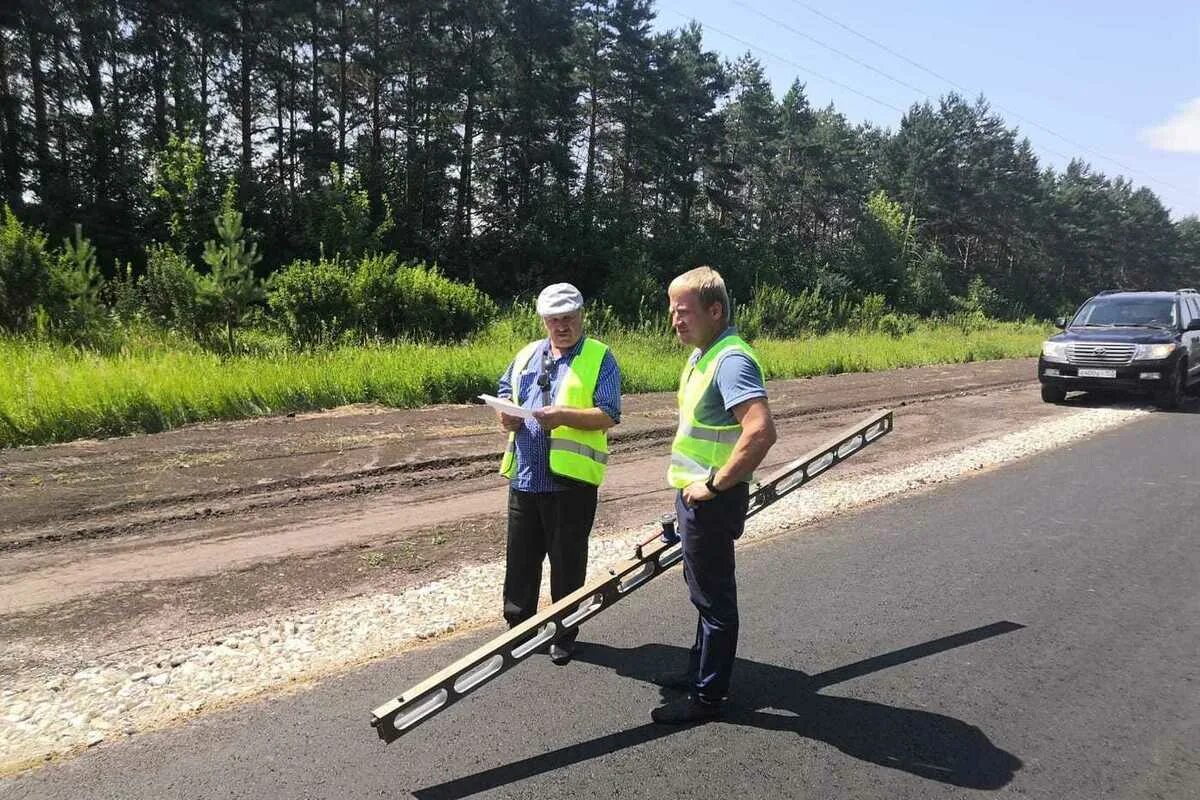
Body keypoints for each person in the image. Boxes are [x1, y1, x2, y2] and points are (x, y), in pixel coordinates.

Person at [652, 266, 777, 723]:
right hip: (694, 496)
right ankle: (699, 670)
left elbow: (761, 431)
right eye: (672, 312)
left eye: (684, 312)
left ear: (716, 310)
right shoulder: (704, 355)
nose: (676, 320)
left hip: (711, 500)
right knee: (701, 593)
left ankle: (708, 697)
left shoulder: (731, 360)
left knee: (715, 601)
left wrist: (715, 484)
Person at [496, 283, 621, 665]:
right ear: (543, 321)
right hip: (526, 476)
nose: (561, 326)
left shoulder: (600, 357)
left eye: (568, 319)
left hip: (570, 483)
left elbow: (609, 413)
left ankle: (564, 632)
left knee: (567, 563)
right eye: (554, 320)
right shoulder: (526, 354)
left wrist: (564, 416)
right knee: (520, 559)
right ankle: (519, 629)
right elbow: (505, 391)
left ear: (581, 316)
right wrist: (506, 416)